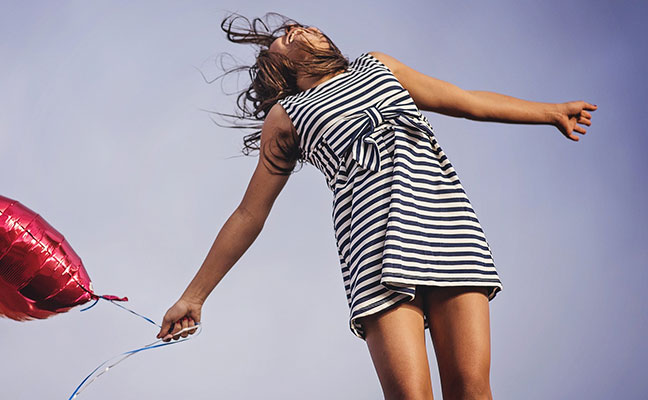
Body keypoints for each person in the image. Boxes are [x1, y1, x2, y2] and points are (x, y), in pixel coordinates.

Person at [156, 12, 596, 399]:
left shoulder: (378, 66)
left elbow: (463, 99)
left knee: (471, 389)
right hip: (372, 249)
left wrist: (551, 111)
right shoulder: (287, 115)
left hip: (447, 226)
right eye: (289, 38)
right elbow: (249, 214)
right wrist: (193, 297)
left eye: (297, 26)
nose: (300, 29)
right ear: (282, 68)